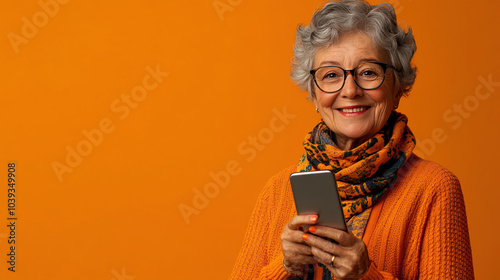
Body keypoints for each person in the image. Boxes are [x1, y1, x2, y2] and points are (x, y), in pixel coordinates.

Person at [228, 0, 474, 279]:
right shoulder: (276, 192)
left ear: (397, 87)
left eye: (368, 72)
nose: (350, 90)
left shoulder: (434, 189)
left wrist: (365, 275)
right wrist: (284, 267)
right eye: (331, 75)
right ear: (314, 95)